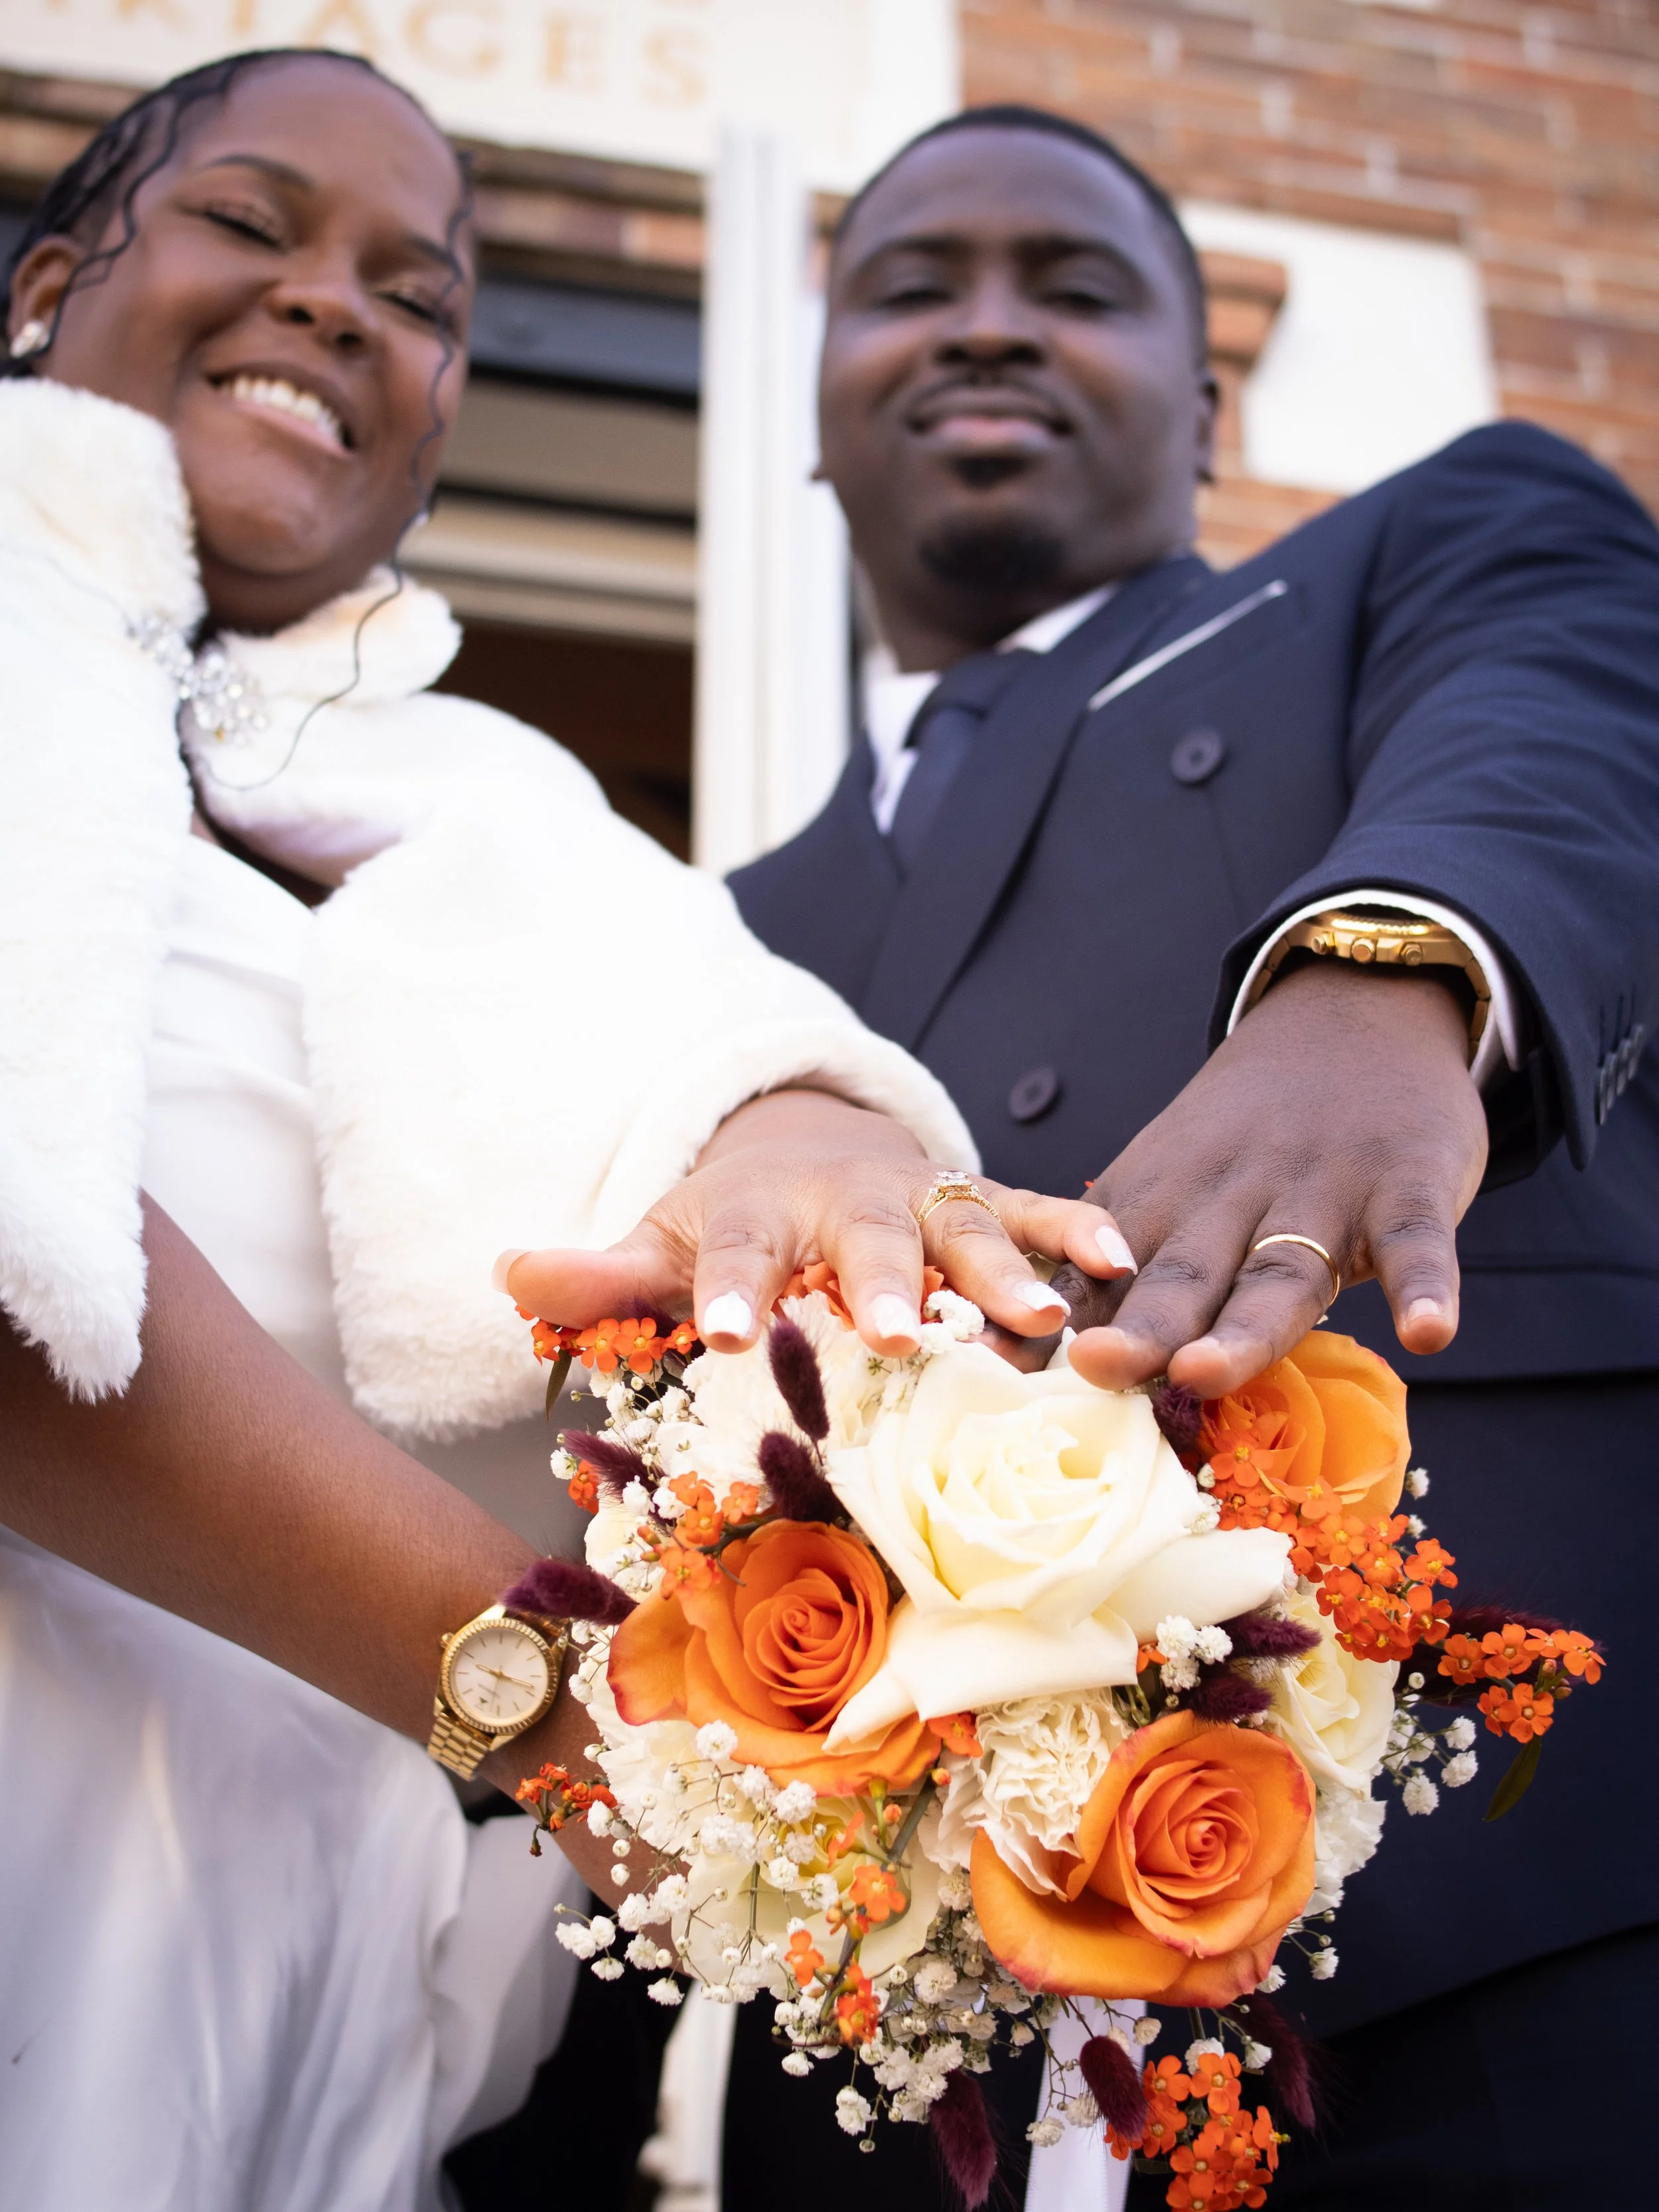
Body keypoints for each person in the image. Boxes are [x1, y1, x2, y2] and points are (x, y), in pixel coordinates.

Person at [0, 60, 1122, 2212]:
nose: (337, 303)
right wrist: (543, 1700)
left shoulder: (490, 814)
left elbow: (719, 1053)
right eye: (253, 222)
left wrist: (800, 1122)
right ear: (54, 284)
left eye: (415, 293)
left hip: (326, 2003)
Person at [729, 103, 1659, 2209]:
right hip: (896, 2083)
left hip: (1523, 1932)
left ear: (1209, 399)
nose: (986, 326)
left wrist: (1387, 971)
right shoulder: (716, 927)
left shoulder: (1422, 557)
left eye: (1071, 290)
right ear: (806, 417)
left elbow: (1565, 715)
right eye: (908, 286)